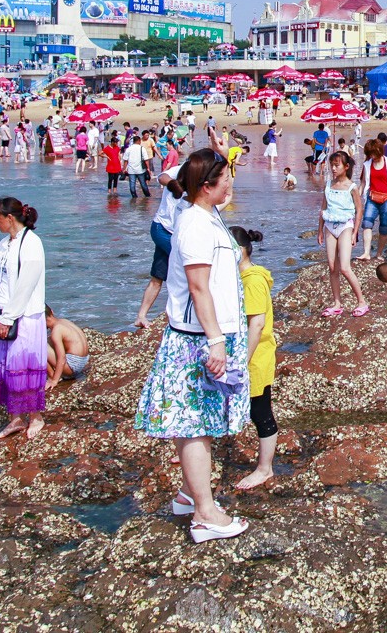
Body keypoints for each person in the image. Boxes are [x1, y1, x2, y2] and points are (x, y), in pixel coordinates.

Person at [133, 149, 251, 542]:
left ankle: (188, 495)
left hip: (205, 333)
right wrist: (217, 341)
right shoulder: (195, 225)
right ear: (205, 186)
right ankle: (205, 513)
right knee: (195, 425)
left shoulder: (206, 215)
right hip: (198, 339)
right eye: (225, 178)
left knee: (195, 423)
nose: (231, 182)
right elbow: (198, 289)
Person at [0, 197, 48, 440]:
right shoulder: (4, 244)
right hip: (2, 311)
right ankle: (15, 419)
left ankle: (36, 417)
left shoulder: (31, 243)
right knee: (6, 369)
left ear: (9, 218)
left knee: (22, 366)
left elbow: (26, 284)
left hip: (24, 315)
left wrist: (9, 317)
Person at [232, 225, 279, 489]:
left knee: (260, 411)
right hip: (246, 354)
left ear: (241, 251)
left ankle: (265, 469)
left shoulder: (252, 281)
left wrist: (241, 360)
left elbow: (257, 324)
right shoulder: (241, 278)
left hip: (255, 356)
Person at [135, 159, 187, 329]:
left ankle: (141, 316)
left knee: (158, 276)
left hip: (173, 234)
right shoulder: (181, 170)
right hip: (162, 229)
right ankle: (180, 315)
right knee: (188, 270)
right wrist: (174, 184)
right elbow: (161, 177)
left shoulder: (202, 182)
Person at [319, 151, 368, 317]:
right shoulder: (328, 185)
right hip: (329, 226)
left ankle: (362, 302)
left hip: (345, 226)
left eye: (336, 165)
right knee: (332, 267)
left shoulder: (352, 187)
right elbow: (323, 208)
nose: (333, 168)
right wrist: (320, 230)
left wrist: (355, 232)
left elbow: (359, 209)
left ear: (346, 167)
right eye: (331, 165)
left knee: (345, 267)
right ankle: (337, 303)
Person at [358, 138, 387, 262]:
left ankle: (378, 254)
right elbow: (362, 183)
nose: (373, 156)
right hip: (371, 198)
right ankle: (366, 253)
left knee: (384, 227)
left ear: (380, 151)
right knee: (367, 224)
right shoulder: (367, 165)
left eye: (375, 153)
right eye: (370, 154)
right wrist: (357, 197)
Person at [44, 307, 90, 386]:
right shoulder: (64, 321)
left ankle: (51, 377)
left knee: (37, 346)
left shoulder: (56, 331)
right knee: (48, 341)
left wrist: (54, 381)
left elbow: (62, 358)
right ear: (52, 311)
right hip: (83, 361)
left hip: (72, 366)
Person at [124, 131, 151, 199]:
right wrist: (148, 168)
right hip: (140, 170)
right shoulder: (142, 148)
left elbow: (125, 160)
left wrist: (124, 169)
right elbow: (146, 160)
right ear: (139, 141)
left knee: (132, 185)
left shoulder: (128, 149)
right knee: (143, 184)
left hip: (131, 170)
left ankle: (134, 197)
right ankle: (147, 197)